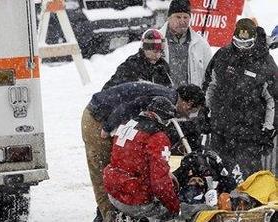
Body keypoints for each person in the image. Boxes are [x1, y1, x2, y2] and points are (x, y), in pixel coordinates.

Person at [81, 82, 205, 221]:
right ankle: (108, 216)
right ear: (188, 103)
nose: (189, 116)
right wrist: (108, 126)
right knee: (104, 172)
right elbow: (130, 105)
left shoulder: (161, 102)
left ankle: (116, 211)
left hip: (105, 115)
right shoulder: (165, 101)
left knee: (119, 169)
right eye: (192, 111)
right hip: (98, 118)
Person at [203, 18, 277, 184]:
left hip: (249, 134)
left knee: (249, 180)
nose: (241, 48)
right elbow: (210, 85)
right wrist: (205, 111)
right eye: (238, 42)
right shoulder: (223, 55)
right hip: (220, 130)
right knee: (219, 177)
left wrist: (269, 129)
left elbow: (273, 99)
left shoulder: (265, 63)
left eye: (246, 44)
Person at [103, 96, 180, 221]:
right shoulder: (157, 137)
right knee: (171, 214)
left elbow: (129, 159)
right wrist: (176, 207)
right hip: (134, 198)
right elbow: (160, 184)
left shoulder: (128, 124)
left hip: (114, 191)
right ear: (164, 118)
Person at [159, 0, 213, 87]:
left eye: (185, 17)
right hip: (163, 97)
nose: (182, 21)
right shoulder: (155, 40)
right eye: (178, 17)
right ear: (168, 18)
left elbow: (209, 77)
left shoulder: (201, 44)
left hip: (190, 99)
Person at [102, 29, 173, 90]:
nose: (157, 55)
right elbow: (110, 90)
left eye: (160, 51)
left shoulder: (162, 66)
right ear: (145, 49)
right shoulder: (130, 66)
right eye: (154, 51)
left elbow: (169, 90)